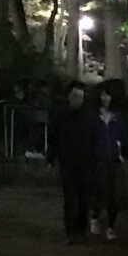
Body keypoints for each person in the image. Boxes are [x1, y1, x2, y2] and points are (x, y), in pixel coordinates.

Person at [53, 81, 103, 237]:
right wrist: (52, 156)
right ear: (69, 96)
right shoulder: (61, 115)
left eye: (80, 96)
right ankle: (71, 232)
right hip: (67, 164)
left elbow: (97, 139)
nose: (77, 99)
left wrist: (96, 159)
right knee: (70, 199)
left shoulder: (90, 116)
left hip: (86, 165)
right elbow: (55, 138)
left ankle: (81, 230)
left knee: (83, 200)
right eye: (75, 96)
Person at [94, 82, 128, 236]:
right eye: (102, 95)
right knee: (101, 192)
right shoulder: (95, 116)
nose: (105, 98)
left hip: (115, 161)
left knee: (115, 195)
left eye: (107, 95)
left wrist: (127, 154)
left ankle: (111, 226)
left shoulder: (118, 118)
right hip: (99, 160)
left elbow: (125, 137)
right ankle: (95, 216)